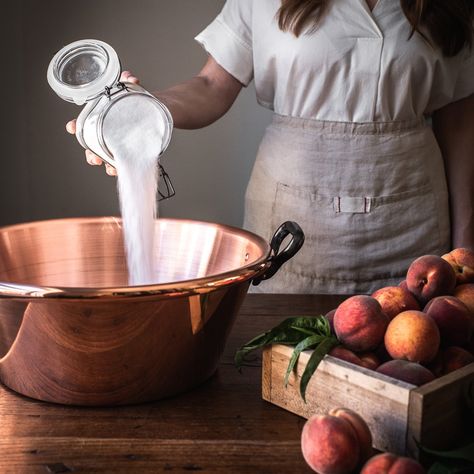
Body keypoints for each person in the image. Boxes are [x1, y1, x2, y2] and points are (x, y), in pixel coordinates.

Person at [66, 0, 474, 295]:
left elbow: (460, 125)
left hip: (412, 230)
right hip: (293, 228)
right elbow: (211, 86)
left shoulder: (450, 6)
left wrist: (466, 245)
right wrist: (140, 111)